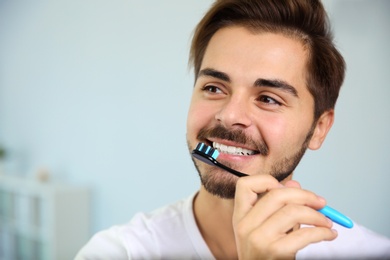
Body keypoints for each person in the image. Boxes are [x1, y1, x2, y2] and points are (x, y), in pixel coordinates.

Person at [75, 0, 390, 259]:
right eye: (214, 88)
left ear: (319, 128)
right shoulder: (119, 252)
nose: (229, 116)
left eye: (268, 98)